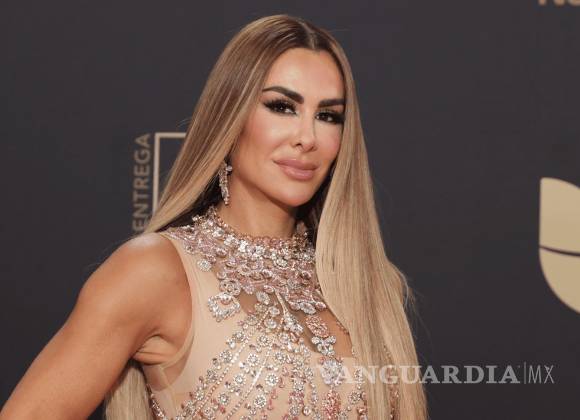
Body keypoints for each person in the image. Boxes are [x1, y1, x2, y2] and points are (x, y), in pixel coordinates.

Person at [1, 14, 427, 420]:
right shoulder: (155, 271)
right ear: (230, 116)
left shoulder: (365, 283)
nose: (307, 137)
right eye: (282, 106)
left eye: (328, 116)